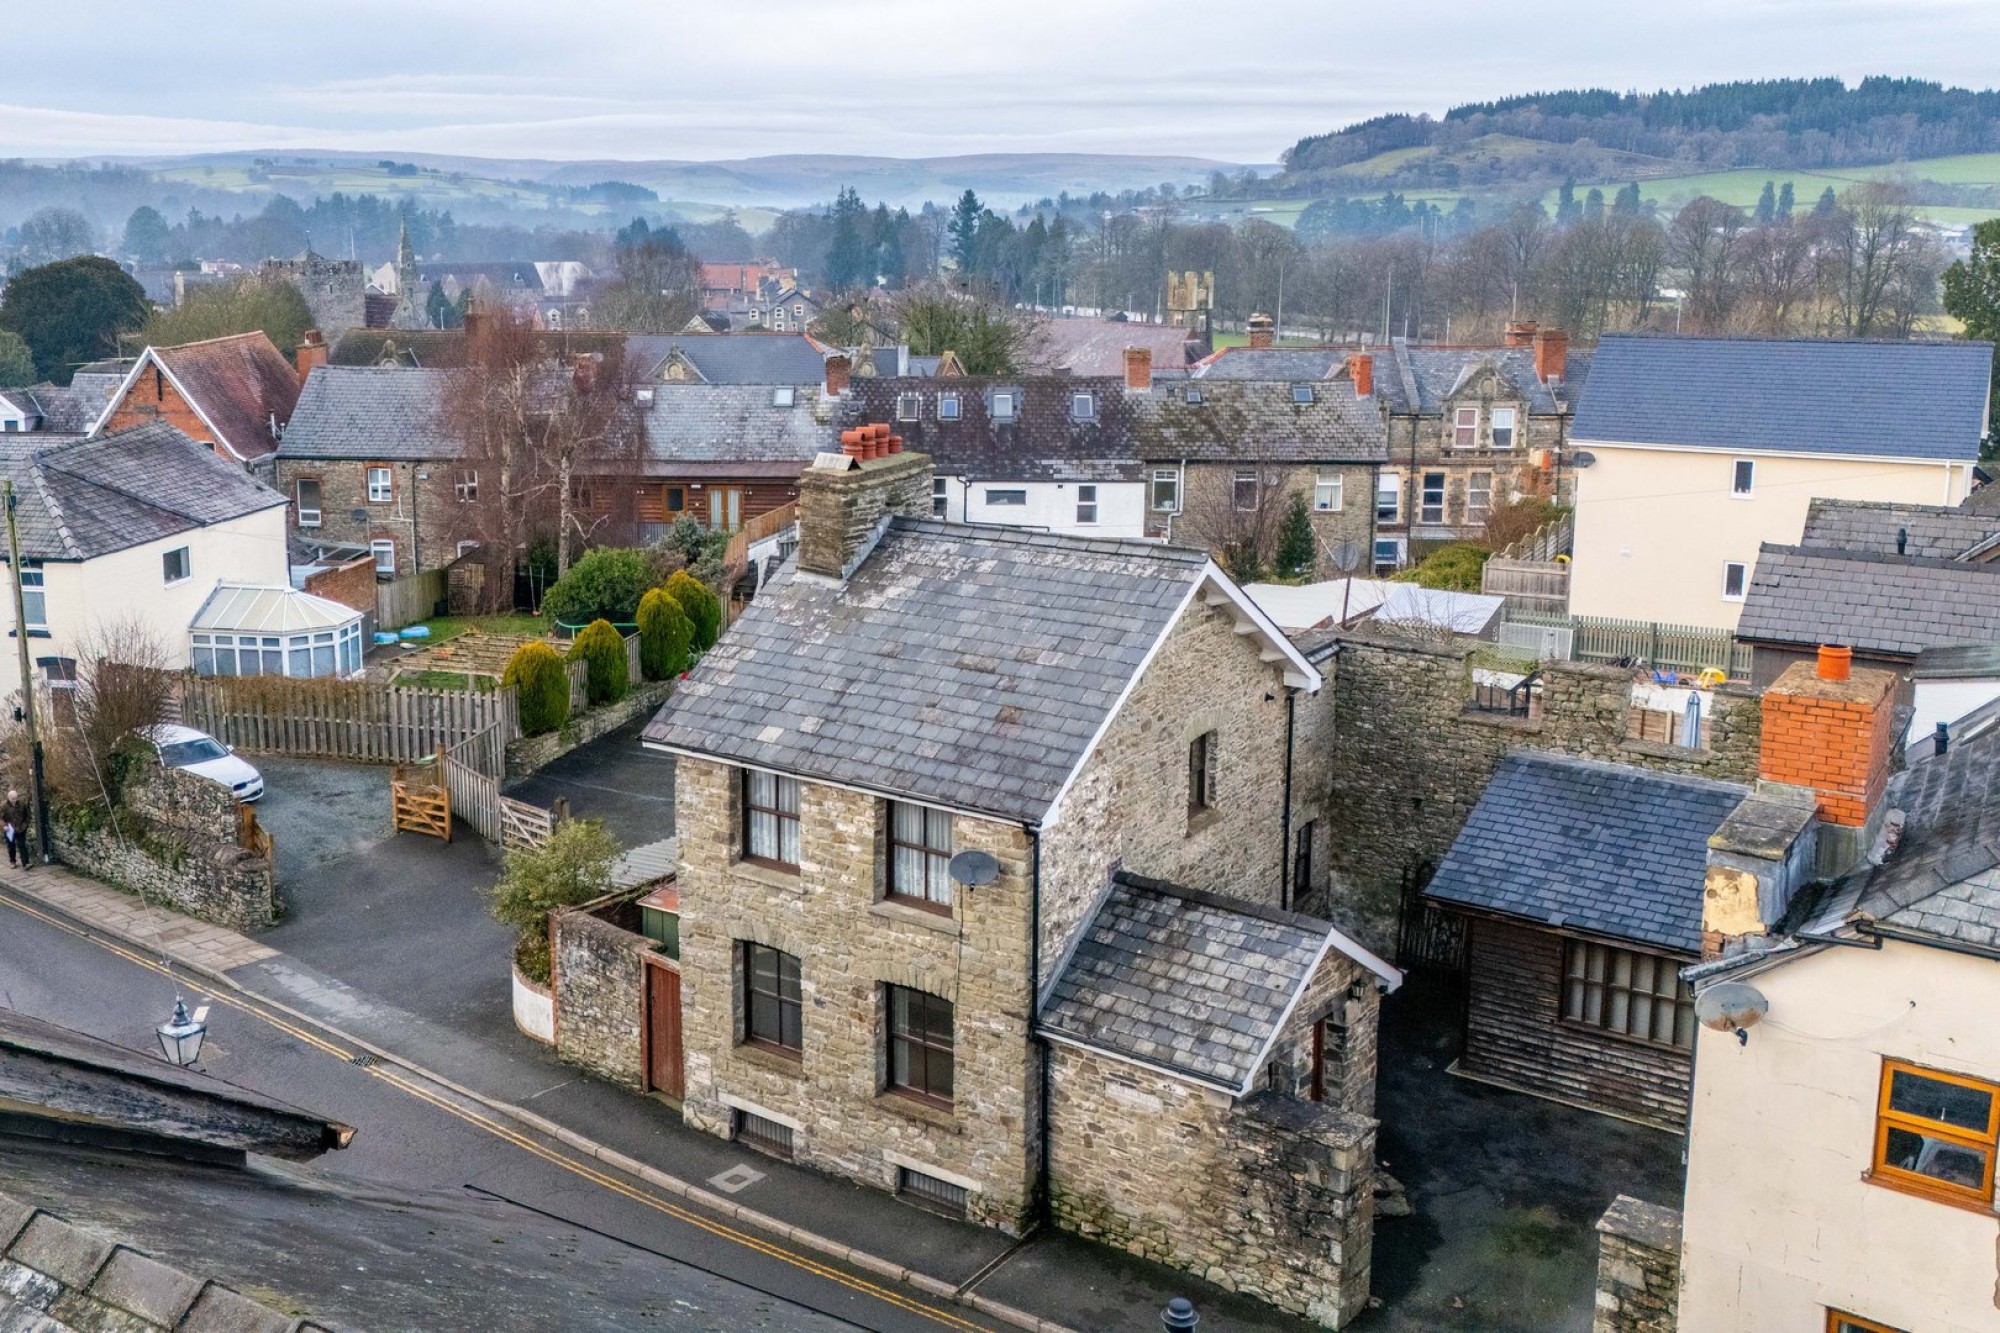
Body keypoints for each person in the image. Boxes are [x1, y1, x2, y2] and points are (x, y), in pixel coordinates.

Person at [0, 789, 27, 868]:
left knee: (22, 845)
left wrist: (24, 825)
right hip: (9, 829)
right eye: (12, 799)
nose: (14, 801)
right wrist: (4, 826)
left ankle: (25, 862)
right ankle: (13, 862)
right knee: (11, 846)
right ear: (9, 797)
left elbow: (27, 816)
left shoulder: (22, 804)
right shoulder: (3, 806)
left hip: (20, 828)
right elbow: (1, 818)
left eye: (15, 798)